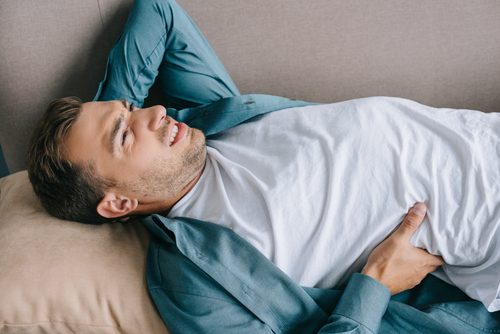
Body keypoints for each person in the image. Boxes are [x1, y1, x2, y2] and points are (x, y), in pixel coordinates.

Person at [26, 0, 500, 332]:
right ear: (120, 202)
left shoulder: (212, 120)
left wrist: (112, 116)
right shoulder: (194, 283)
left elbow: (159, 11)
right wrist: (373, 286)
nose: (154, 113)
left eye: (133, 108)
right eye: (127, 134)